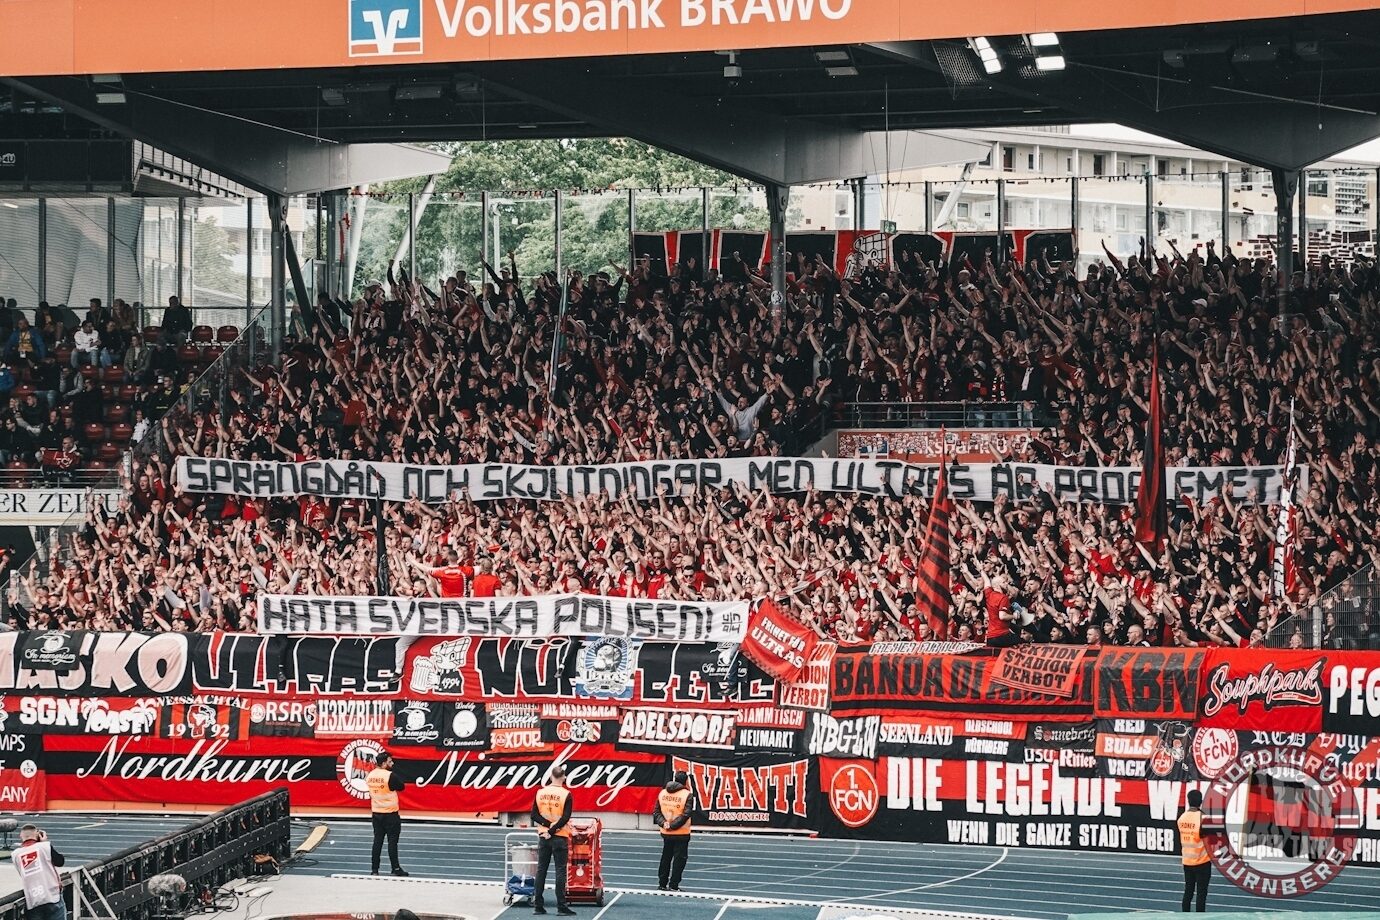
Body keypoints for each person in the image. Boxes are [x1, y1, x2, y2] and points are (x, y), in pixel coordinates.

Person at [531, 765, 576, 916]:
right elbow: (565, 817)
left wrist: (547, 827)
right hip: (559, 837)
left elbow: (534, 815)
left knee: (541, 870)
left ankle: (538, 906)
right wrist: (553, 830)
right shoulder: (566, 794)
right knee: (560, 871)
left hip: (544, 836)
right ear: (563, 777)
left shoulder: (540, 793)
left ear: (551, 777)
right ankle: (561, 907)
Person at [367, 751, 409, 877]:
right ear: (384, 763)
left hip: (376, 813)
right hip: (390, 814)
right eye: (390, 761)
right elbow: (401, 787)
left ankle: (374, 869)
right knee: (392, 842)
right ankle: (395, 868)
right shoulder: (390, 776)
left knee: (377, 841)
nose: (393, 763)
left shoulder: (370, 775)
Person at [12, 824, 66, 920]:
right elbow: (60, 861)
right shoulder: (45, 847)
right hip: (52, 896)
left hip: (33, 900)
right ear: (38, 835)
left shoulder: (15, 854)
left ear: (21, 836)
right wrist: (44, 842)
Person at [653, 769, 693, 891]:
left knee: (666, 857)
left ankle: (662, 884)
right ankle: (674, 885)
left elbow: (656, 812)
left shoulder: (663, 793)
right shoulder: (687, 795)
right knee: (679, 860)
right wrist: (673, 826)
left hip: (666, 833)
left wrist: (664, 824)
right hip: (681, 833)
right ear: (685, 781)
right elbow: (686, 814)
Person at [1177, 789, 1210, 912]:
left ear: (1188, 801)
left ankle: (1185, 916)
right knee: (1201, 894)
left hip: (1187, 861)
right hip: (1202, 861)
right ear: (1201, 802)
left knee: (1188, 892)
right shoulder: (1203, 818)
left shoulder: (1182, 818)